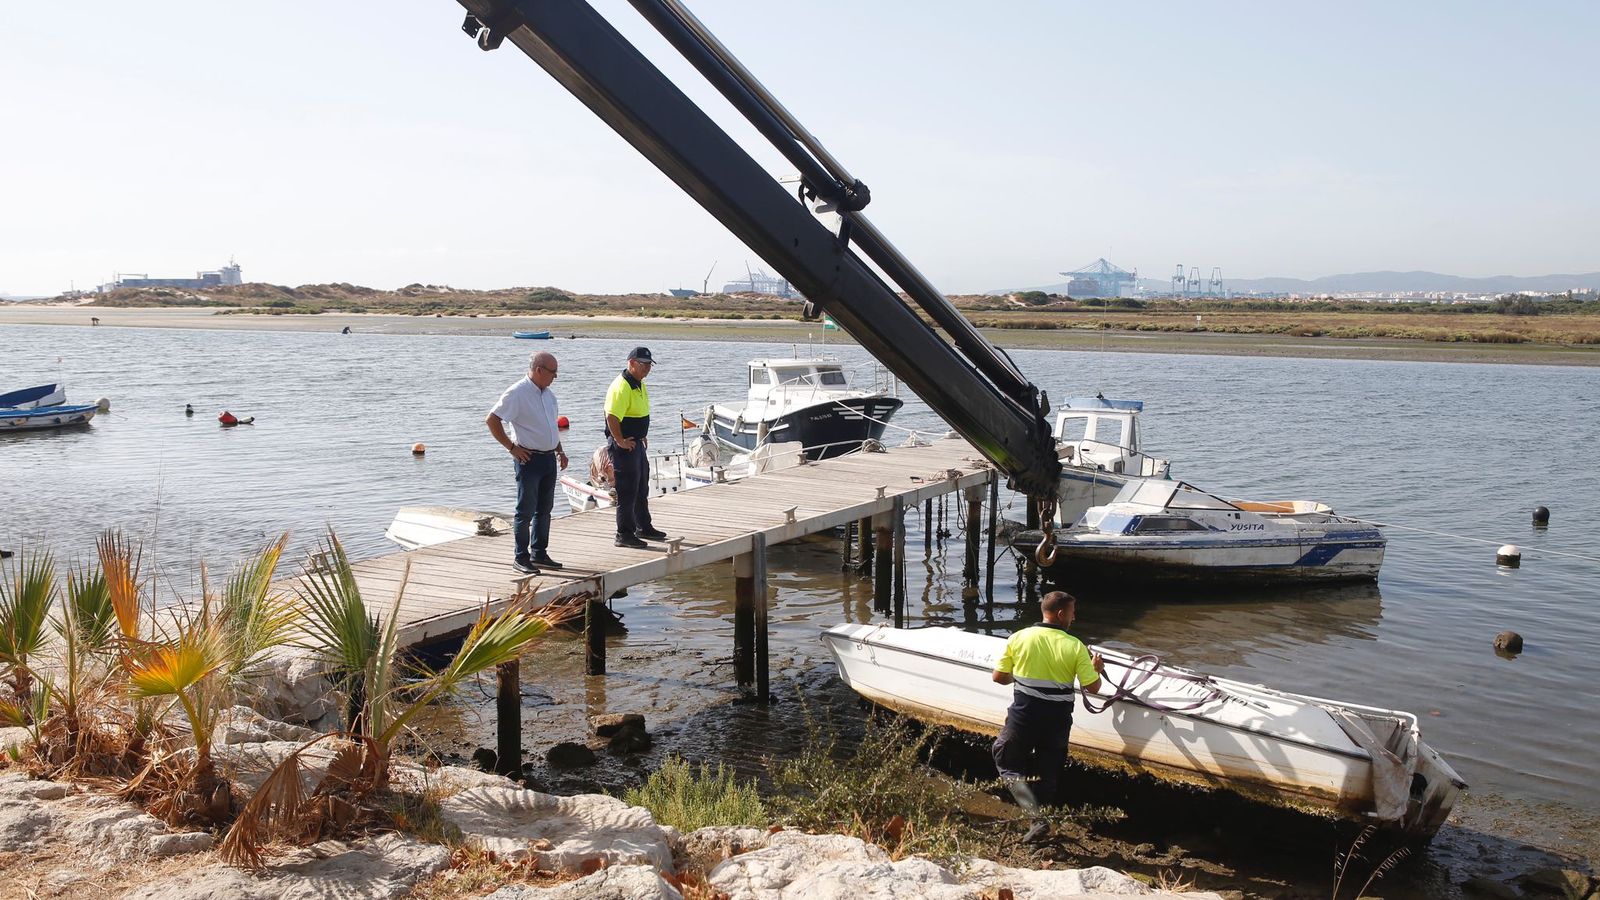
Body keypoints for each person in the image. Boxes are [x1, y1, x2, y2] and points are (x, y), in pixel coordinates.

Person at [991, 590, 1108, 842]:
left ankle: (1037, 820)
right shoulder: (1075, 646)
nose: (1073, 619)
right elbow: (1093, 688)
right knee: (1048, 772)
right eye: (1072, 613)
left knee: (1007, 761)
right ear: (1060, 614)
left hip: (1025, 716)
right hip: (1057, 721)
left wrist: (1022, 679)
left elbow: (999, 677)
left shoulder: (1019, 637)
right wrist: (1095, 669)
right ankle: (1038, 825)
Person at [487, 351, 568, 574]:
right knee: (525, 511)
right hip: (529, 459)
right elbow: (492, 419)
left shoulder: (549, 395)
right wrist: (512, 448)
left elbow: (551, 426)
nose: (556, 376)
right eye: (553, 372)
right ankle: (520, 557)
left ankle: (539, 553)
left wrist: (560, 451)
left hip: (549, 458)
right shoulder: (517, 392)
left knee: (544, 510)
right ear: (539, 370)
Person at [604, 346, 667, 548]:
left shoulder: (638, 383)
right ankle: (624, 533)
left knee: (641, 486)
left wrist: (642, 435)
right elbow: (611, 416)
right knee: (627, 489)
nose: (647, 368)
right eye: (643, 364)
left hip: (636, 442)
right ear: (631, 363)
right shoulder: (621, 386)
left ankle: (643, 526)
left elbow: (639, 412)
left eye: (649, 365)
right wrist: (620, 440)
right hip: (624, 446)